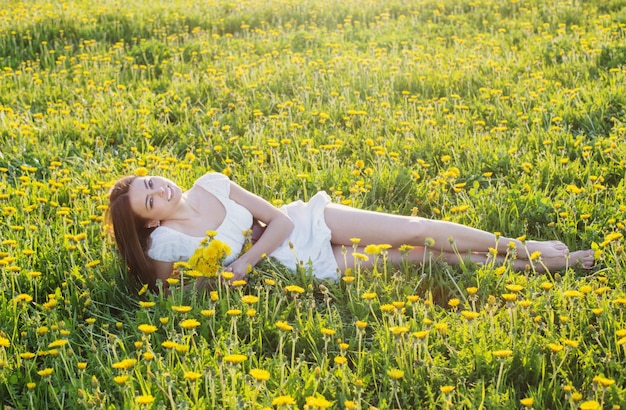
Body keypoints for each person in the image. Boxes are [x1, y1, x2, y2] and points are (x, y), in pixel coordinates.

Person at [106, 172, 594, 291]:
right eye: (151, 200)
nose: (161, 191)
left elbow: (280, 219)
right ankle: (525, 271)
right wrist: (221, 276)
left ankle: (523, 251)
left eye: (153, 182)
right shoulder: (166, 245)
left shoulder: (210, 184)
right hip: (302, 264)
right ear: (148, 220)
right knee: (422, 259)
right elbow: (175, 293)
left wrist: (245, 261)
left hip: (308, 224)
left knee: (414, 229)